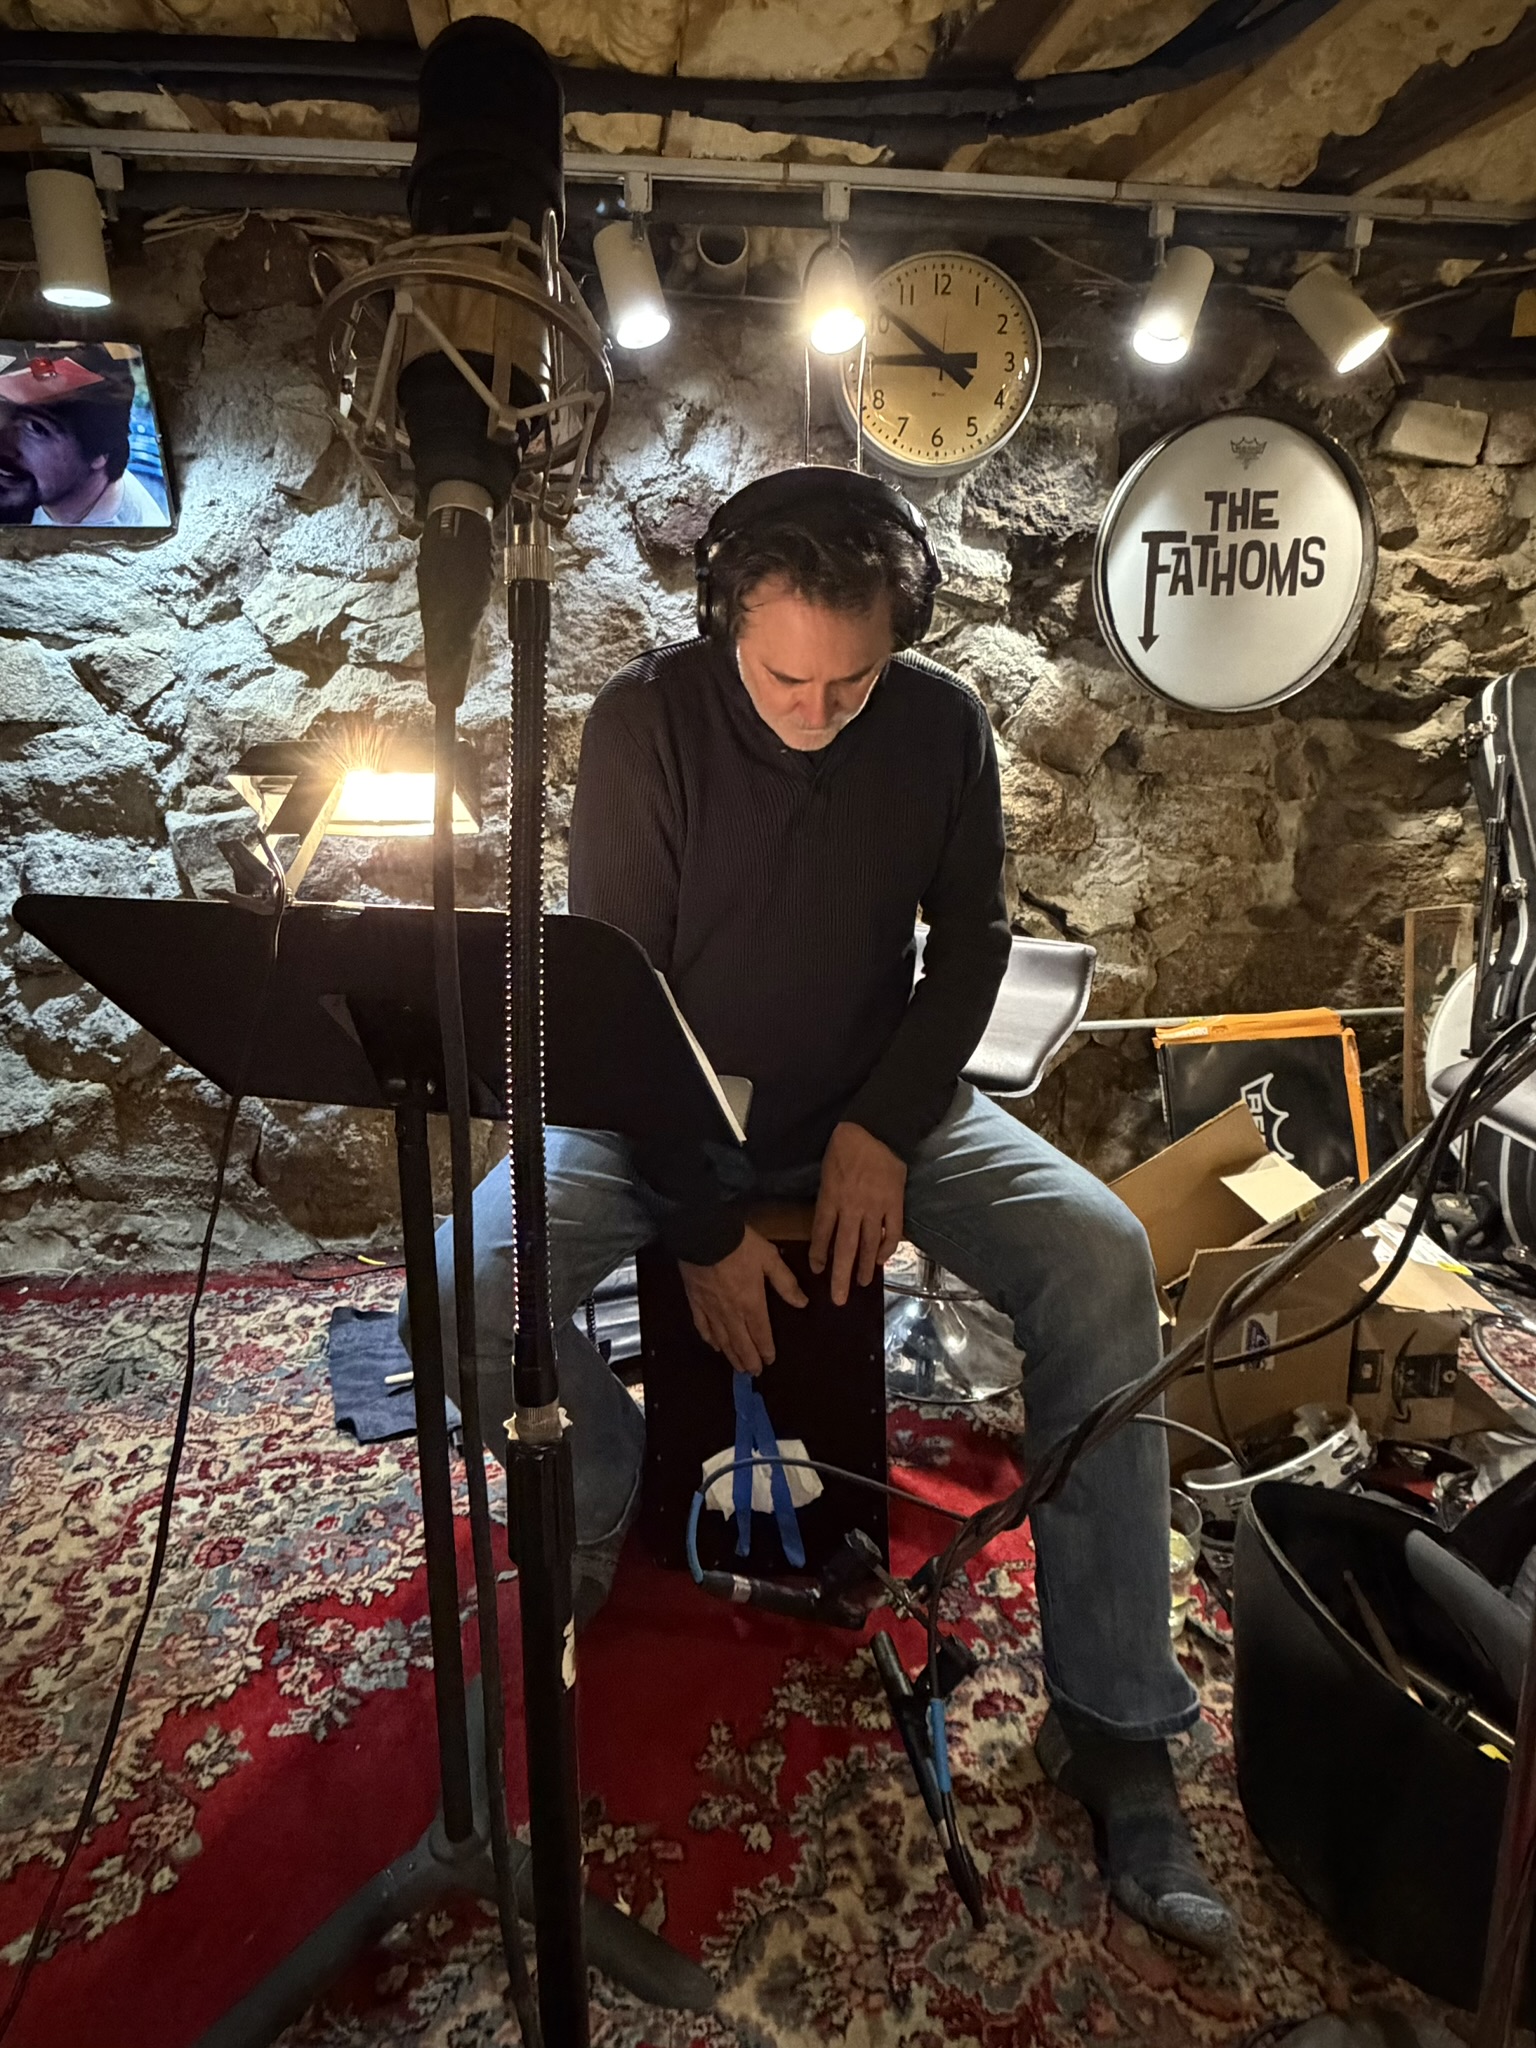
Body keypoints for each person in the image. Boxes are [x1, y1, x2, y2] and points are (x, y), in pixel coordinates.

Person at [411, 466, 1234, 1954]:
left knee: (1102, 1256)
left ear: (896, 643)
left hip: (873, 1093)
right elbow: (617, 994)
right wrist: (700, 1223)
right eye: (786, 679)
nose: (816, 711)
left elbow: (971, 945)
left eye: (851, 683)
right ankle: (600, 1486)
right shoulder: (644, 723)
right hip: (661, 1102)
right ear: (725, 615)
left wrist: (883, 1123)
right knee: (459, 1285)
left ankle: (1116, 1725)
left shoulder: (940, 725)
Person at [0, 345, 168, 527]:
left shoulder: (128, 535)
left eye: (37, 428)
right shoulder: (42, 491)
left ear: (99, 451)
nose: (3, 445)